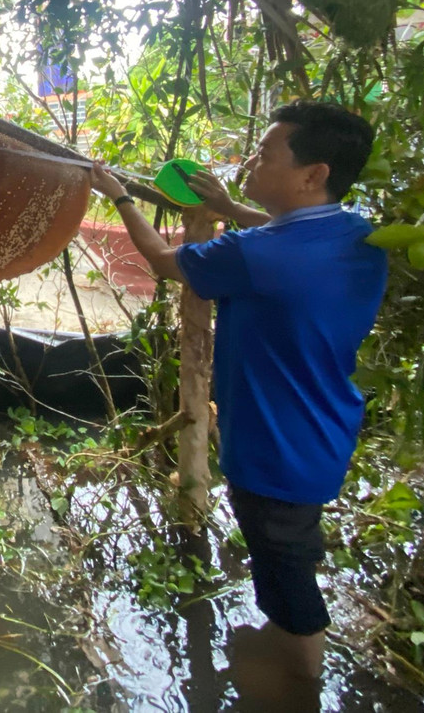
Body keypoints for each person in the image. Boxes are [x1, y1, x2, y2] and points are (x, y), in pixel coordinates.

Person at [91, 101, 387, 683]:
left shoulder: (255, 254)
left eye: (268, 153)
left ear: (314, 173)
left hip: (273, 447)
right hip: (322, 428)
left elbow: (159, 258)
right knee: (292, 551)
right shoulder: (357, 233)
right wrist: (227, 208)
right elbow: (285, 238)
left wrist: (117, 194)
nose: (254, 158)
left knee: (286, 571)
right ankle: (286, 647)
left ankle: (298, 677)